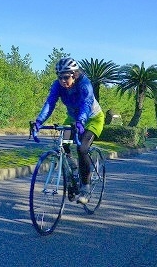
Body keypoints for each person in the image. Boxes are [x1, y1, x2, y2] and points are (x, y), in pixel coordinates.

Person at [33, 57, 104, 204]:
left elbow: (86, 103)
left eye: (66, 77)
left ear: (74, 74)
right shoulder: (57, 86)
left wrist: (81, 122)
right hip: (72, 118)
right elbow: (50, 103)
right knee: (63, 145)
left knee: (82, 148)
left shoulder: (85, 84)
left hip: (92, 118)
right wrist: (39, 121)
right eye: (60, 77)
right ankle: (73, 172)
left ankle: (85, 187)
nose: (62, 81)